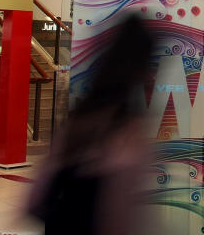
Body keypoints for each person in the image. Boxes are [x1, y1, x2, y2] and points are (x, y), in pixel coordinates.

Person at [26, 13, 156, 235]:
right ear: (140, 68)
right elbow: (120, 217)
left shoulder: (82, 117)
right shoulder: (128, 131)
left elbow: (35, 198)